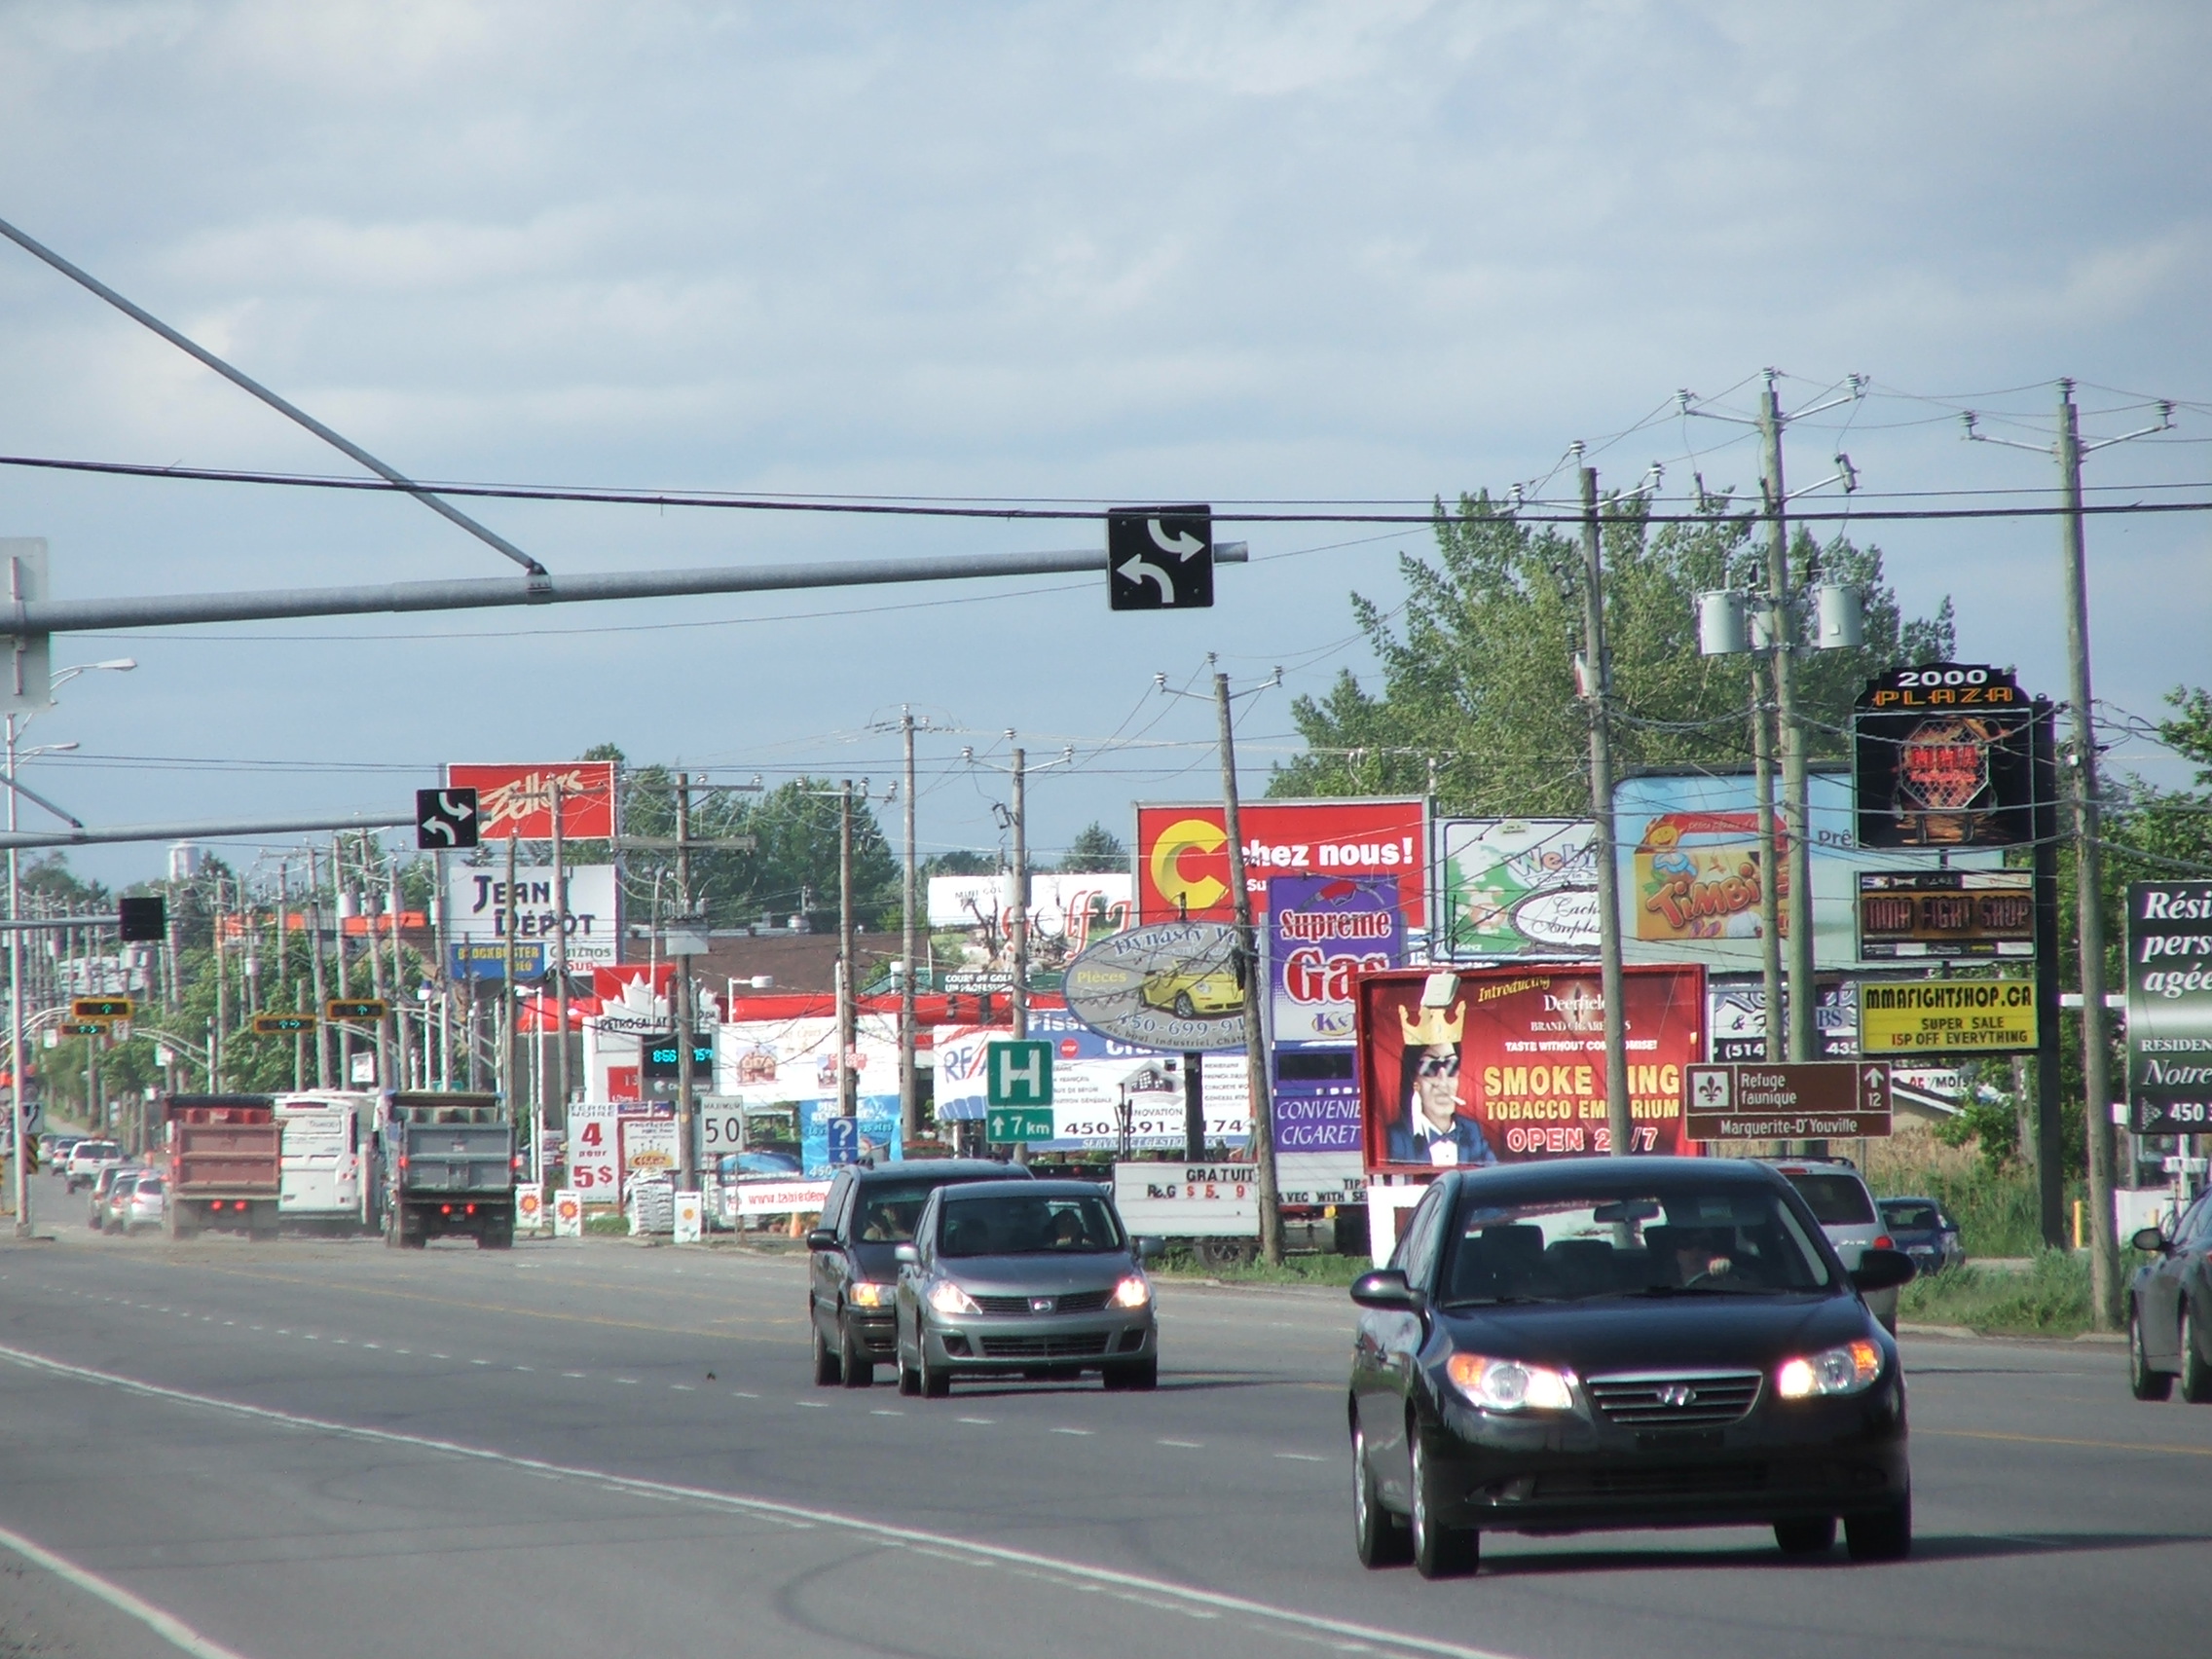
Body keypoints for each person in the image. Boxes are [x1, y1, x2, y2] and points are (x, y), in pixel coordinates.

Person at [1384, 1001, 1495, 1167]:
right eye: (1431, 1067)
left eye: (1452, 1067)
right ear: (1415, 1081)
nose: (1443, 1082)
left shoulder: (1472, 1131)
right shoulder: (1397, 1137)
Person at [1671, 1227, 1736, 1287]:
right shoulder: (1662, 1288)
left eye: (1704, 1243)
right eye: (1687, 1243)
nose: (1696, 1251)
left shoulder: (1725, 1286)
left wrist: (1726, 1271)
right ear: (1675, 1251)